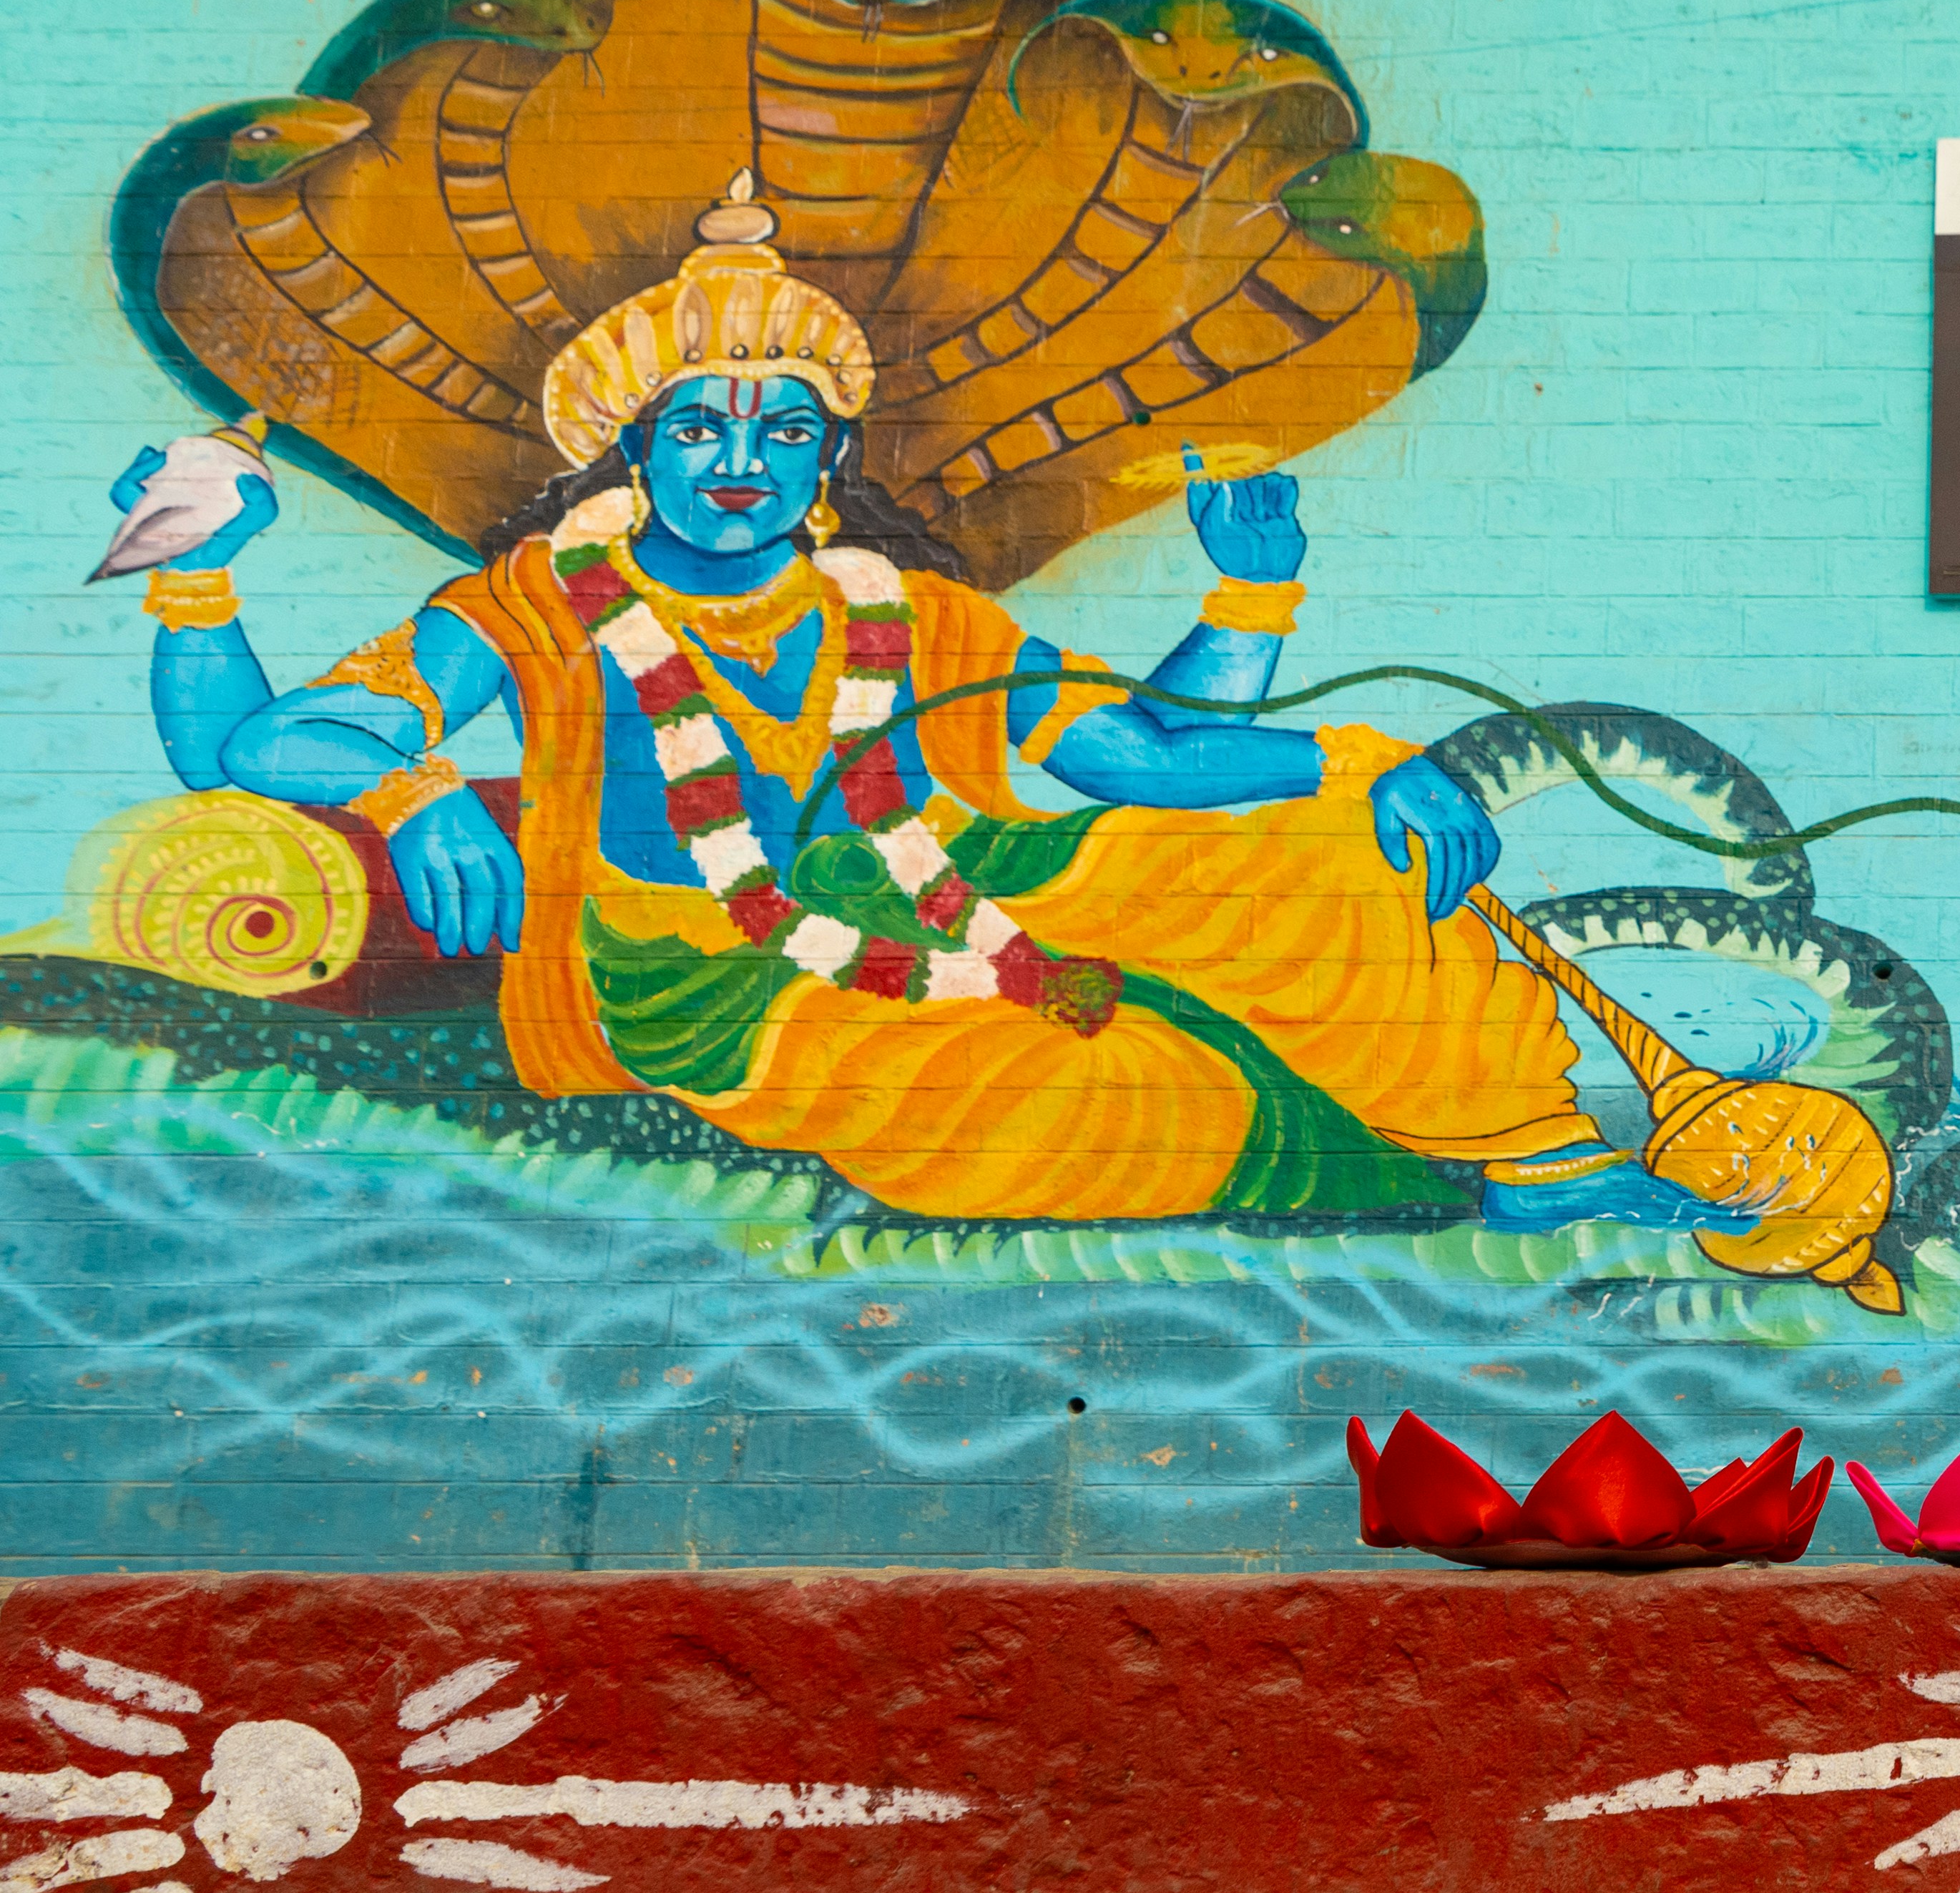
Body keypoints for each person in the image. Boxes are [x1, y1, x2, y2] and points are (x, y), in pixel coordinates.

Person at [115, 173, 1770, 1241]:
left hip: (945, 875)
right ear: (638, 451)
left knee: (1320, 861)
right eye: (703, 429)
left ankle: (1539, 1148)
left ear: (831, 455)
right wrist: (300, 679)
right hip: (697, 975)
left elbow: (1132, 749)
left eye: (782, 429)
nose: (743, 462)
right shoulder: (545, 601)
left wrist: (1334, 715)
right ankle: (1381, 1173)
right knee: (1083, 1096)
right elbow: (255, 751)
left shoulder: (909, 612)